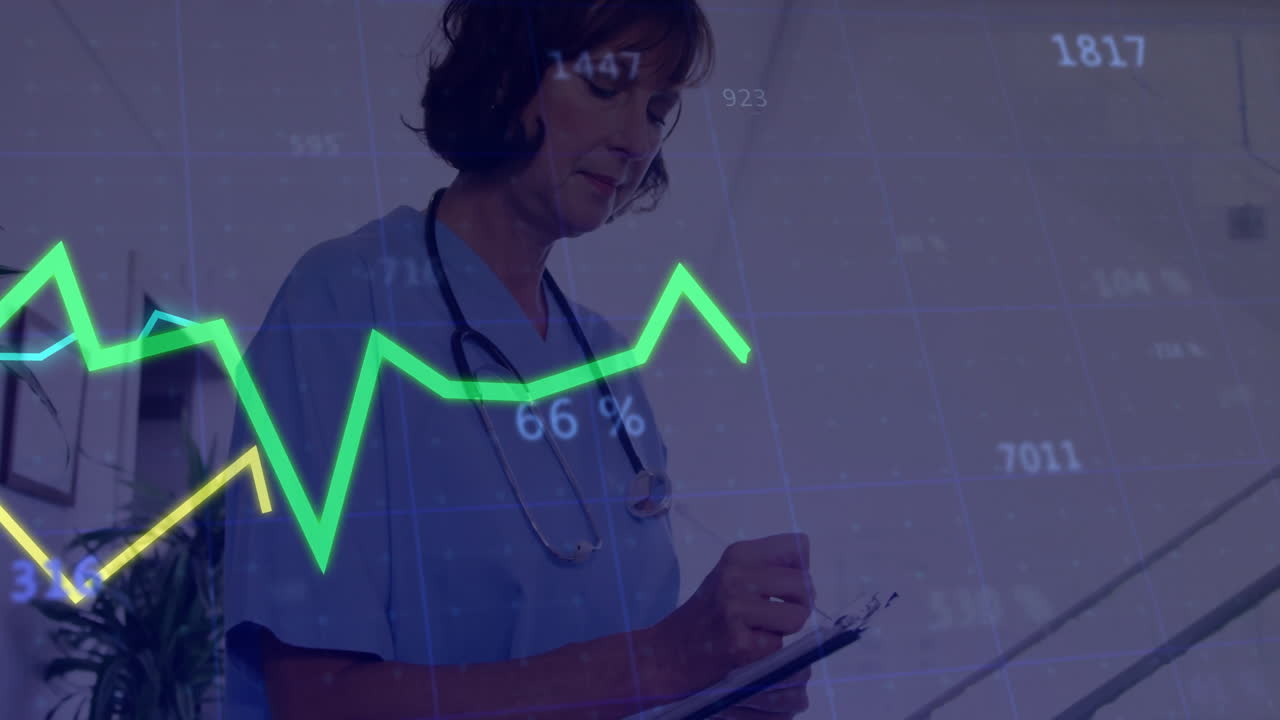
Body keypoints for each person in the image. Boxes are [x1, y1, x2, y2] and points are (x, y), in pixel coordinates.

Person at [221, 1, 818, 718]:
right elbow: (316, 701)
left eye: (657, 112)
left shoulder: (604, 361)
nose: (636, 140)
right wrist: (659, 662)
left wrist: (714, 691)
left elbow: (629, 681)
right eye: (606, 89)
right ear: (507, 74)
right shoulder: (344, 304)